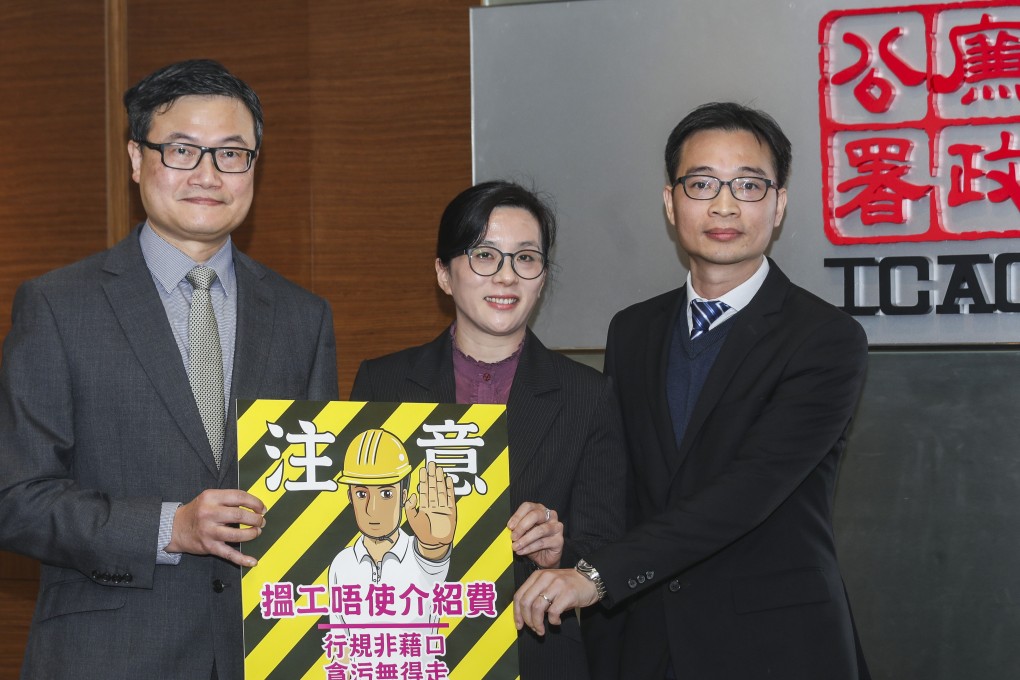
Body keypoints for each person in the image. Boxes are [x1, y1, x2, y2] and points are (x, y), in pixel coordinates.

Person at [0, 59, 338, 679]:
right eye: (182, 150)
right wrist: (168, 527)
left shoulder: (303, 317)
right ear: (136, 159)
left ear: (254, 167)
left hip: (261, 656)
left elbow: (313, 499)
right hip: (108, 657)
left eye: (232, 154)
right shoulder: (56, 305)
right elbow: (17, 499)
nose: (209, 175)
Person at [513, 102, 871, 679]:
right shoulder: (633, 330)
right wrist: (571, 550)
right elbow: (624, 483)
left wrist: (596, 575)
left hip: (773, 644)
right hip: (642, 642)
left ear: (778, 205)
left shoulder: (826, 339)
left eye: (748, 185)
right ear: (670, 201)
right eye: (702, 183)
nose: (724, 205)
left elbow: (746, 491)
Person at [349, 180, 626, 680]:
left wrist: (560, 550)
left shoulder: (588, 394)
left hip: (538, 654)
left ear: (542, 277)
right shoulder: (382, 380)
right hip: (411, 652)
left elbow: (608, 545)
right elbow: (354, 522)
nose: (506, 277)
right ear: (444, 274)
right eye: (484, 255)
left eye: (526, 258)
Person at [328, 429, 455, 629]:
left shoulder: (420, 555)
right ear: (350, 497)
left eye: (386, 493)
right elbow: (339, 642)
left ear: (404, 496)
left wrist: (434, 546)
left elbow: (433, 562)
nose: (373, 509)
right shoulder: (341, 565)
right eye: (361, 494)